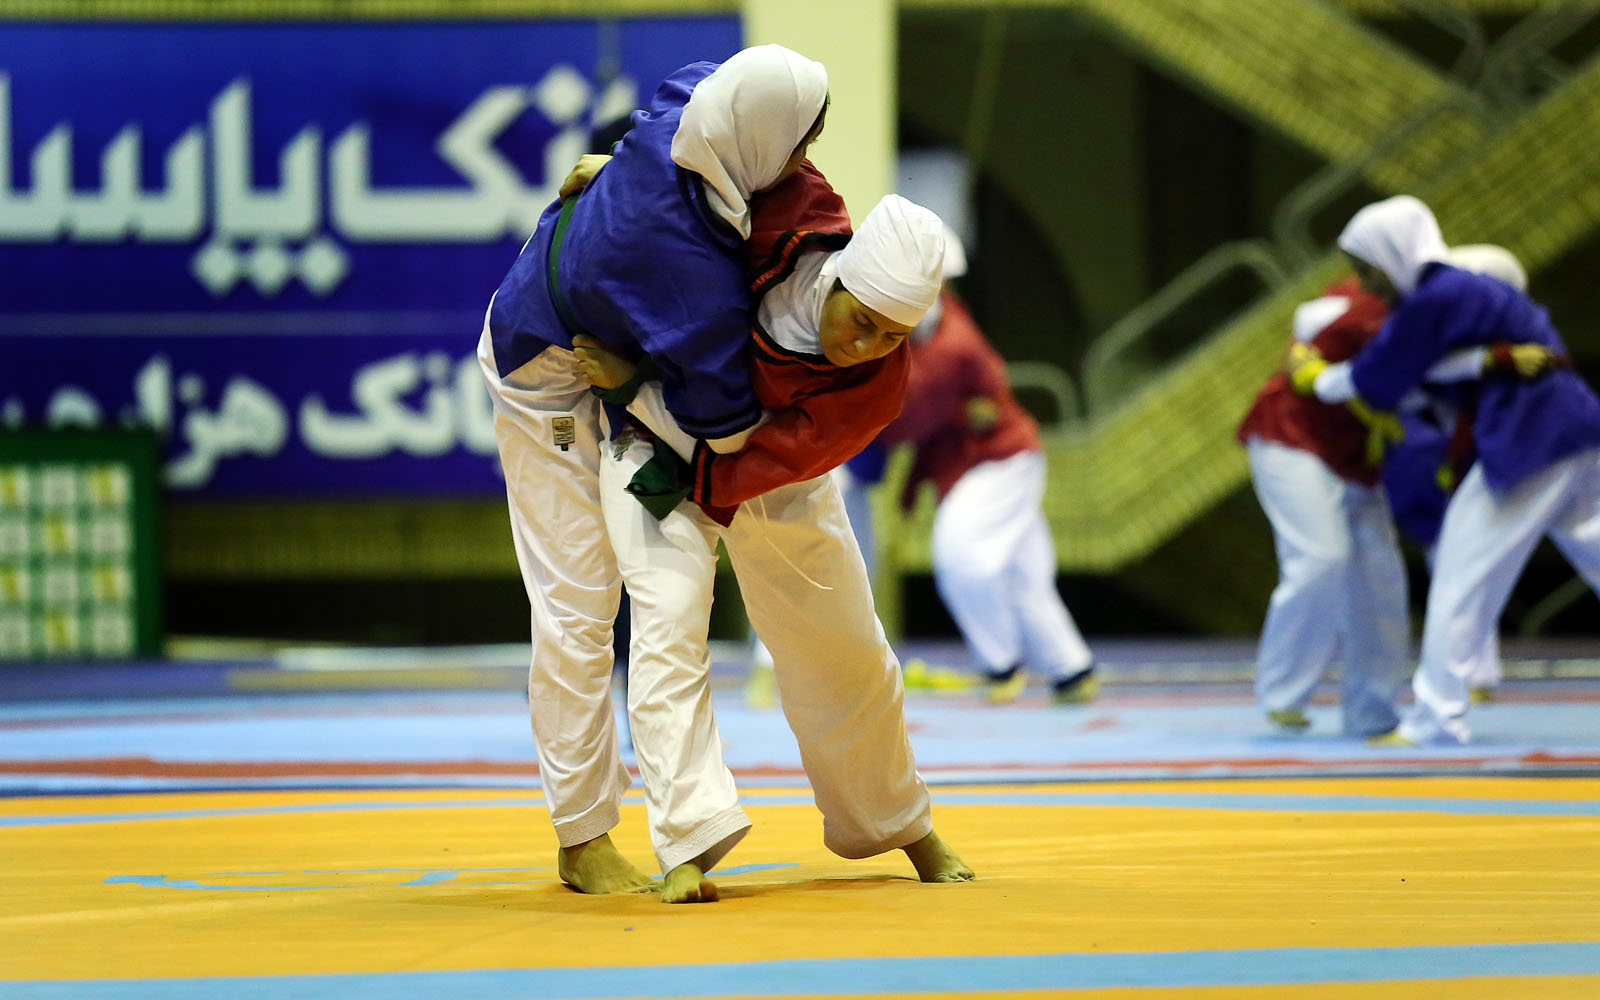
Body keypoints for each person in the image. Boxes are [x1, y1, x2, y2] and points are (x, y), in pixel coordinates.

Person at [477, 45, 830, 897]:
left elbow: (674, 101)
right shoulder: (686, 271)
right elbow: (723, 430)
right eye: (797, 148)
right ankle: (581, 837)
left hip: (599, 323)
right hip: (541, 366)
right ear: (760, 135)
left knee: (618, 585)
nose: (802, 166)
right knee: (579, 600)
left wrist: (608, 166)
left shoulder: (696, 100)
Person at [573, 189, 973, 902]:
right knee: (668, 622)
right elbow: (688, 171)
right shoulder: (791, 221)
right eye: (863, 322)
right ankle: (688, 841)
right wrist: (617, 173)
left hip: (772, 474)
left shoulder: (881, 383)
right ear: (841, 276)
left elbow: (763, 464)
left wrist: (633, 383)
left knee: (849, 647)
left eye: (893, 336)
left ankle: (903, 825)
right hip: (651, 444)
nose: (868, 346)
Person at [1299, 195, 1600, 745]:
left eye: (1367, 269)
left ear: (1392, 254)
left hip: (1531, 433)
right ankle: (1438, 711)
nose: (1366, 286)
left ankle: (1436, 717)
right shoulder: (1462, 292)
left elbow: (1377, 378)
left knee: (1461, 571)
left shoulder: (1436, 298)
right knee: (1593, 544)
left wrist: (1317, 378)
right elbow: (1439, 368)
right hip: (1570, 423)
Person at [875, 230, 1097, 706]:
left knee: (963, 558)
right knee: (1023, 577)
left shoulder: (950, 345)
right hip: (992, 462)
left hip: (999, 462)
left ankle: (1001, 664)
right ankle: (1071, 671)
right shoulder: (926, 329)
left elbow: (901, 421)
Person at [1237, 277, 1410, 736]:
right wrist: (1307, 352)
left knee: (1380, 578)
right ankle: (1283, 692)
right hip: (1291, 435)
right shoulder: (1372, 305)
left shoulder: (1461, 329)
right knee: (1321, 556)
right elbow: (1310, 320)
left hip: (1356, 453)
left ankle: (1371, 710)